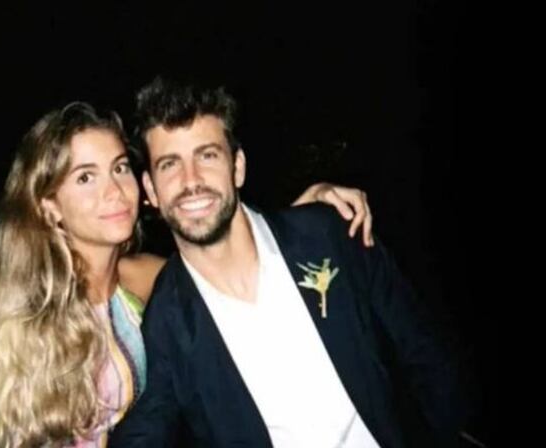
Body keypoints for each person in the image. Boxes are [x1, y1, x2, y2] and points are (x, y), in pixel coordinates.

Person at [0, 101, 374, 448]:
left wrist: (302, 216)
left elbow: (236, 258)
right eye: (86, 177)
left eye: (120, 168)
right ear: (48, 206)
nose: (115, 191)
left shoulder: (146, 281)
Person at [109, 78, 468, 448]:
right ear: (151, 190)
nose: (191, 180)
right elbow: (145, 431)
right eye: (170, 164)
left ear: (238, 167)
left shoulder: (329, 234)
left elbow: (425, 354)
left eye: (207, 155)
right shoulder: (166, 323)